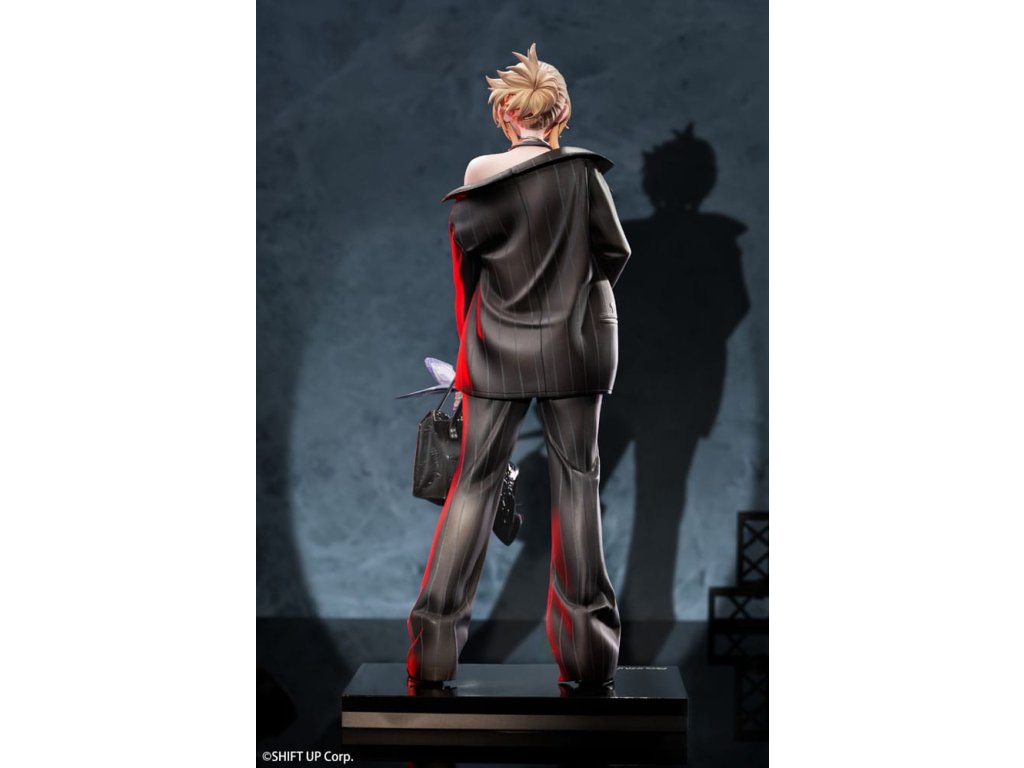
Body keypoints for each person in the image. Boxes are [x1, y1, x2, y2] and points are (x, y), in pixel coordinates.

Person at [406, 42, 632, 692]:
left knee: (472, 486)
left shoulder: (480, 179)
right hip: (577, 348)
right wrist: (569, 296)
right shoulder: (583, 175)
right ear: (559, 113)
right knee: (578, 483)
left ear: (506, 113)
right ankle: (590, 658)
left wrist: (472, 350)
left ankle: (433, 655)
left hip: (494, 348)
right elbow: (614, 253)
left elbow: (466, 275)